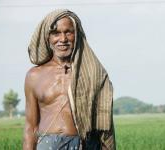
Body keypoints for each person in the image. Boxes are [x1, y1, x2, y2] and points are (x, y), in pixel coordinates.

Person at [23, 9, 115, 150]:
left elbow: (104, 124)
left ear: (77, 35)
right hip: (48, 145)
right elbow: (30, 127)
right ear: (47, 37)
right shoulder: (34, 76)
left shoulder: (93, 73)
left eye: (68, 32)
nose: (63, 39)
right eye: (56, 33)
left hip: (85, 144)